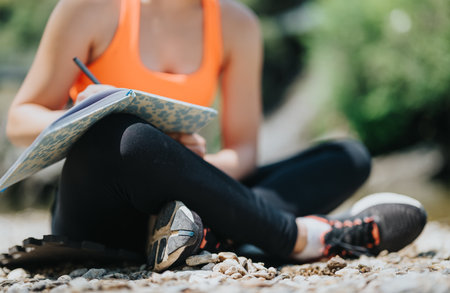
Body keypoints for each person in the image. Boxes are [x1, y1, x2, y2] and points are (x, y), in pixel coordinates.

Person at [6, 0, 426, 272]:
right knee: (126, 137)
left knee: (347, 157)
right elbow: (19, 120)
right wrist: (87, 114)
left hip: (190, 193)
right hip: (102, 206)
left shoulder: (237, 23)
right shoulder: (89, 8)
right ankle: (297, 237)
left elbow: (243, 152)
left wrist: (184, 167)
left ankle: (197, 233)